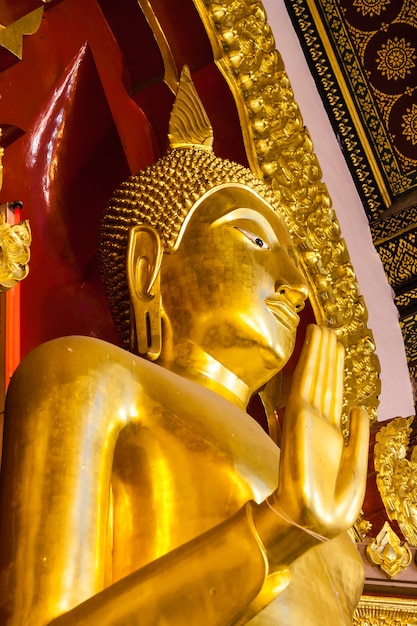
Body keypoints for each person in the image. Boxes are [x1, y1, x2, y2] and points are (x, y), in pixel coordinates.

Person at [0, 69, 369, 625]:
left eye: (294, 258)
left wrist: (306, 527)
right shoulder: (90, 376)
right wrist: (273, 533)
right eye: (255, 239)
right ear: (148, 263)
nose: (295, 282)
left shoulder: (330, 521)